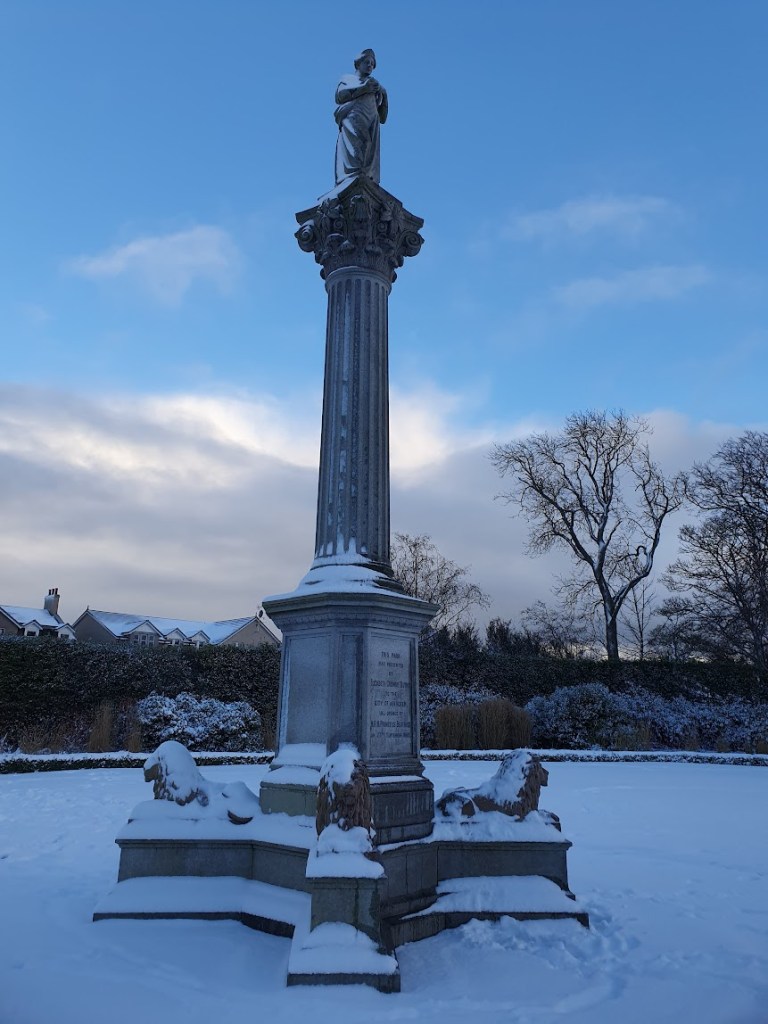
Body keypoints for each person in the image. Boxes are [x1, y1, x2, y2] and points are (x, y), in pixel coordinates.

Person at [334, 48, 388, 185]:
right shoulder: (348, 79)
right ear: (358, 64)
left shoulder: (376, 86)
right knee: (357, 148)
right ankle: (352, 178)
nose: (370, 65)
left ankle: (366, 179)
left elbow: (383, 118)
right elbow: (340, 96)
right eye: (367, 62)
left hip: (372, 120)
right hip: (354, 117)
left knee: (369, 149)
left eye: (372, 63)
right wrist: (364, 88)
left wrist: (384, 94)